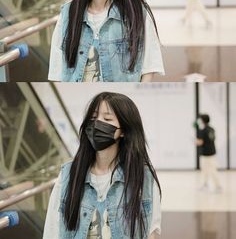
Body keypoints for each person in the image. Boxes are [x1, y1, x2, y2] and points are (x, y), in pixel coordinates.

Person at [43, 92, 161, 239]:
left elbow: (151, 232)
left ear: (123, 130)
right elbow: (52, 231)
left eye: (107, 118)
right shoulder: (69, 174)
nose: (97, 124)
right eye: (93, 118)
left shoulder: (143, 176)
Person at [196, 114, 222, 192]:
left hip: (205, 153)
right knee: (206, 170)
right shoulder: (212, 129)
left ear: (202, 120)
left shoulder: (203, 130)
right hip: (212, 152)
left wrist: (196, 142)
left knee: (211, 170)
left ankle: (218, 186)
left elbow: (200, 142)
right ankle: (205, 184)